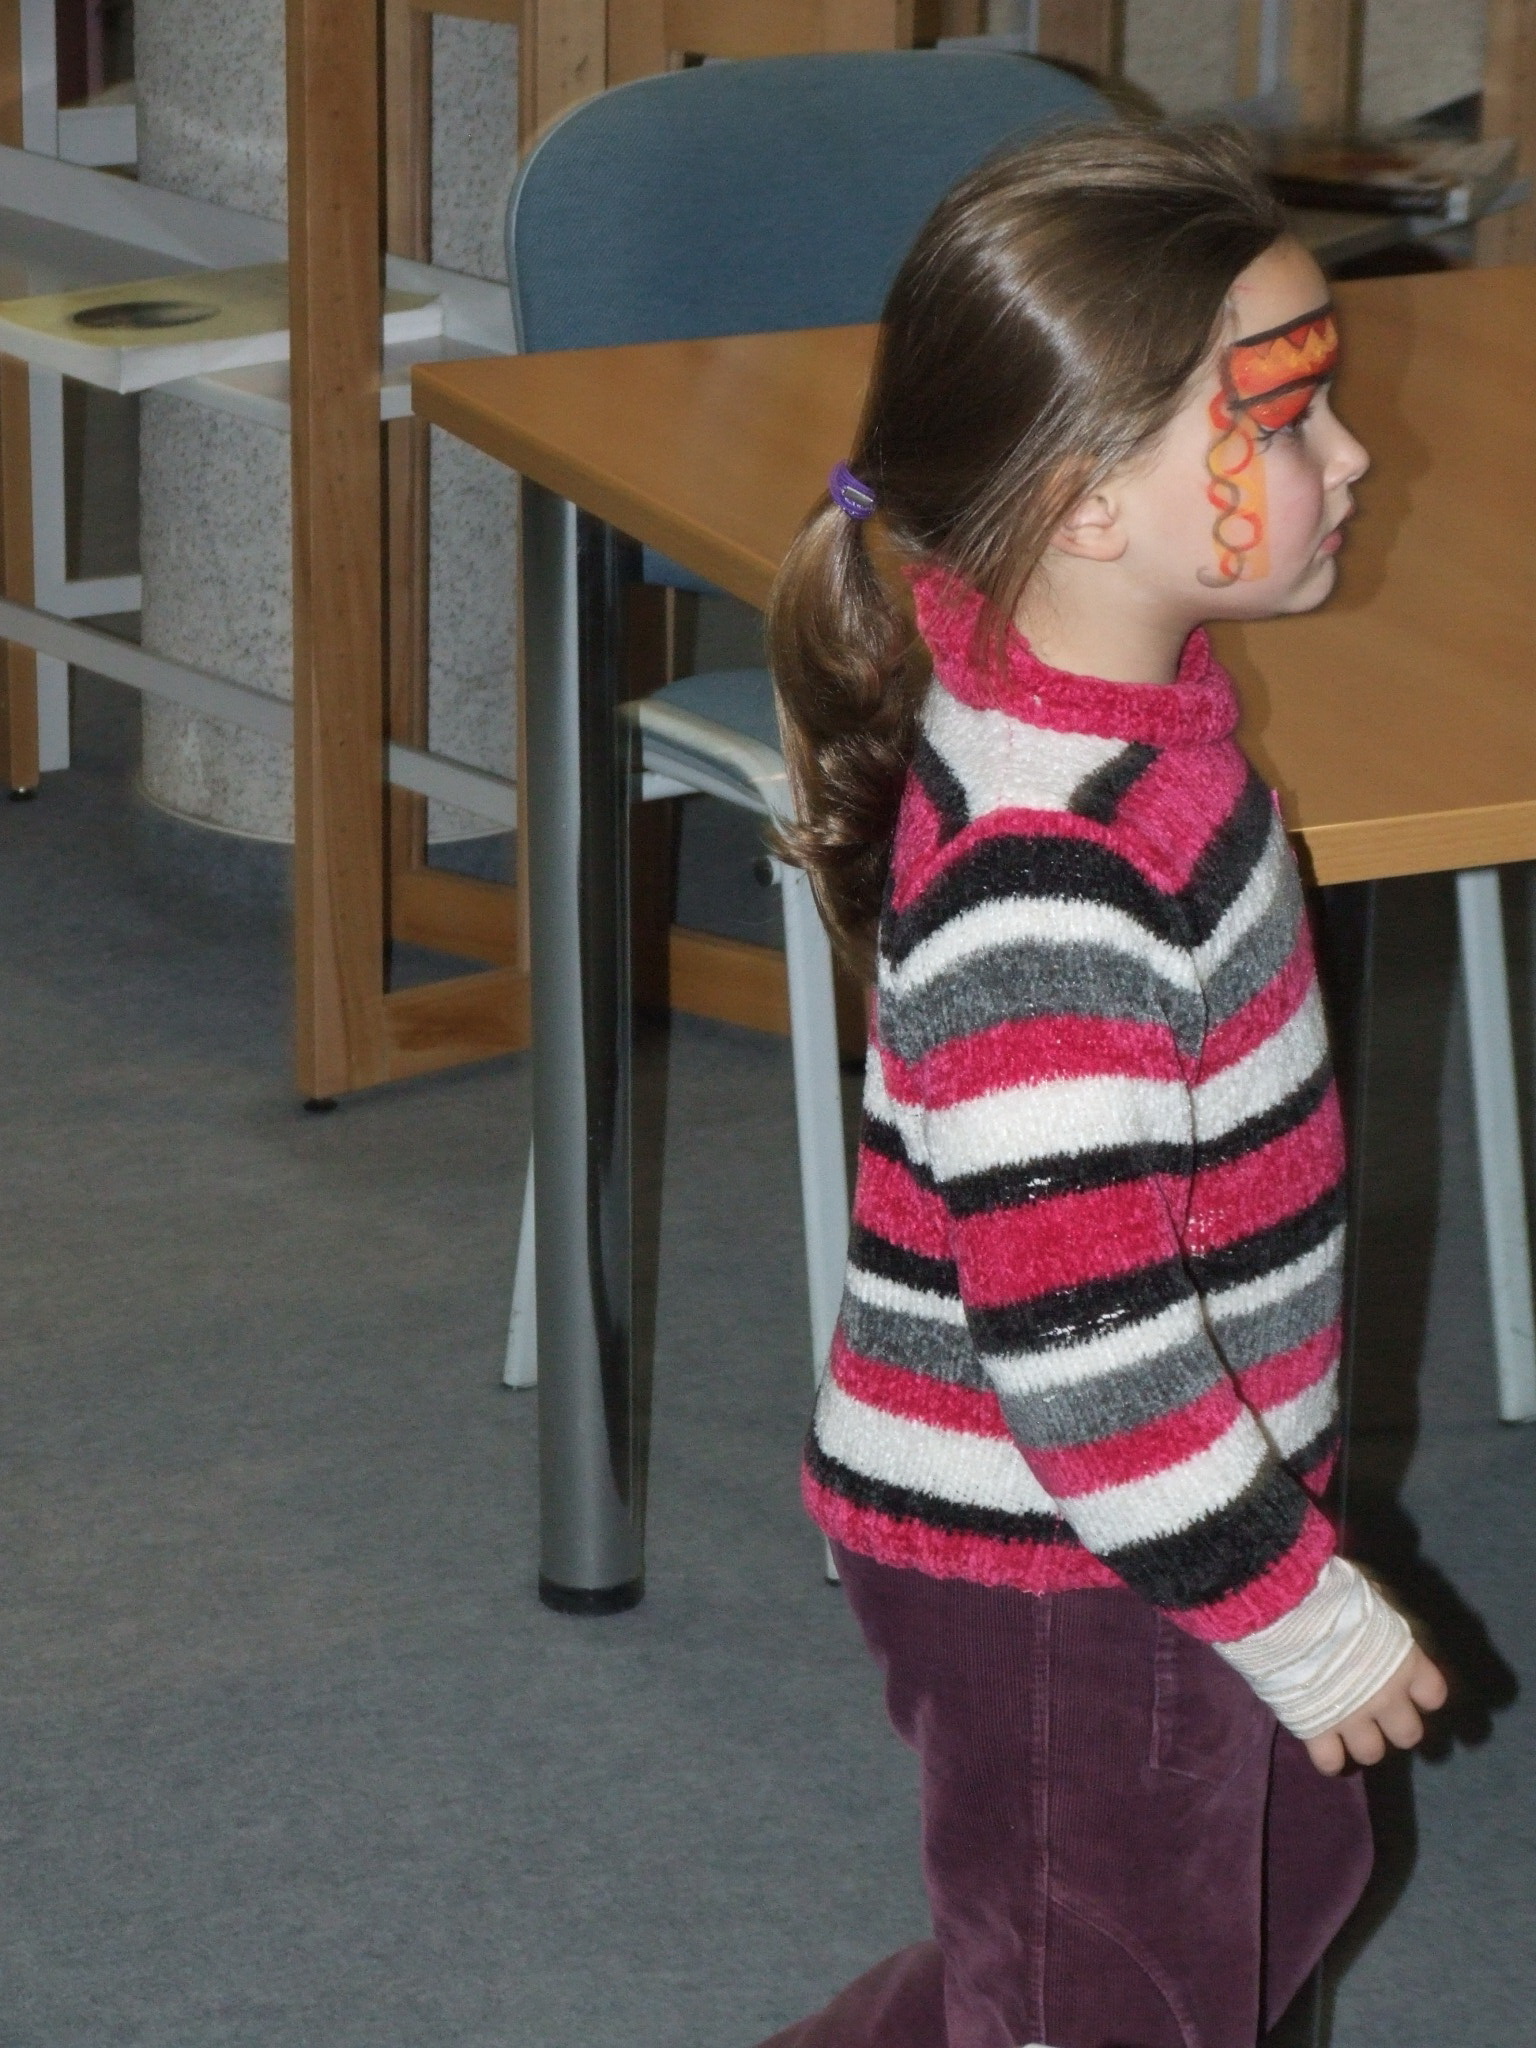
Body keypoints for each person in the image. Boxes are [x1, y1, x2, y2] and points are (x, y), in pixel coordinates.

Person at [760, 123, 1448, 2048]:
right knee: (1116, 1989)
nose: (1351, 459)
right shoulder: (1046, 884)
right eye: (1287, 422)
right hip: (1062, 1555)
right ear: (1082, 508)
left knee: (1268, 1886)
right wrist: (1297, 1608)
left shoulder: (1139, 727)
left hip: (1168, 1509)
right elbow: (1092, 1357)